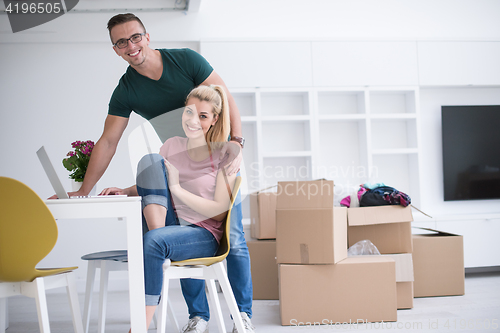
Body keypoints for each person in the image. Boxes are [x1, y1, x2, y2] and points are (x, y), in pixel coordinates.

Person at [60, 13, 254, 333]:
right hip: (179, 163)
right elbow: (109, 140)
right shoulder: (127, 89)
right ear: (116, 50)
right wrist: (84, 189)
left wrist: (236, 143)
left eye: (135, 37)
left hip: (221, 157)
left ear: (147, 37)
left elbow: (224, 96)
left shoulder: (185, 60)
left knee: (233, 237)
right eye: (121, 42)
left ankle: (242, 315)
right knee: (174, 229)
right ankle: (198, 316)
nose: (130, 45)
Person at [102, 85, 238, 333]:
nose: (193, 120)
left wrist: (177, 189)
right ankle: (159, 240)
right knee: (150, 161)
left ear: (214, 119)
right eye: (189, 112)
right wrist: (124, 190)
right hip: (171, 225)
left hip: (203, 234)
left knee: (153, 241)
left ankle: (140, 326)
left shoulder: (224, 155)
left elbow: (219, 211)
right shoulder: (173, 145)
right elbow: (156, 182)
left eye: (203, 115)